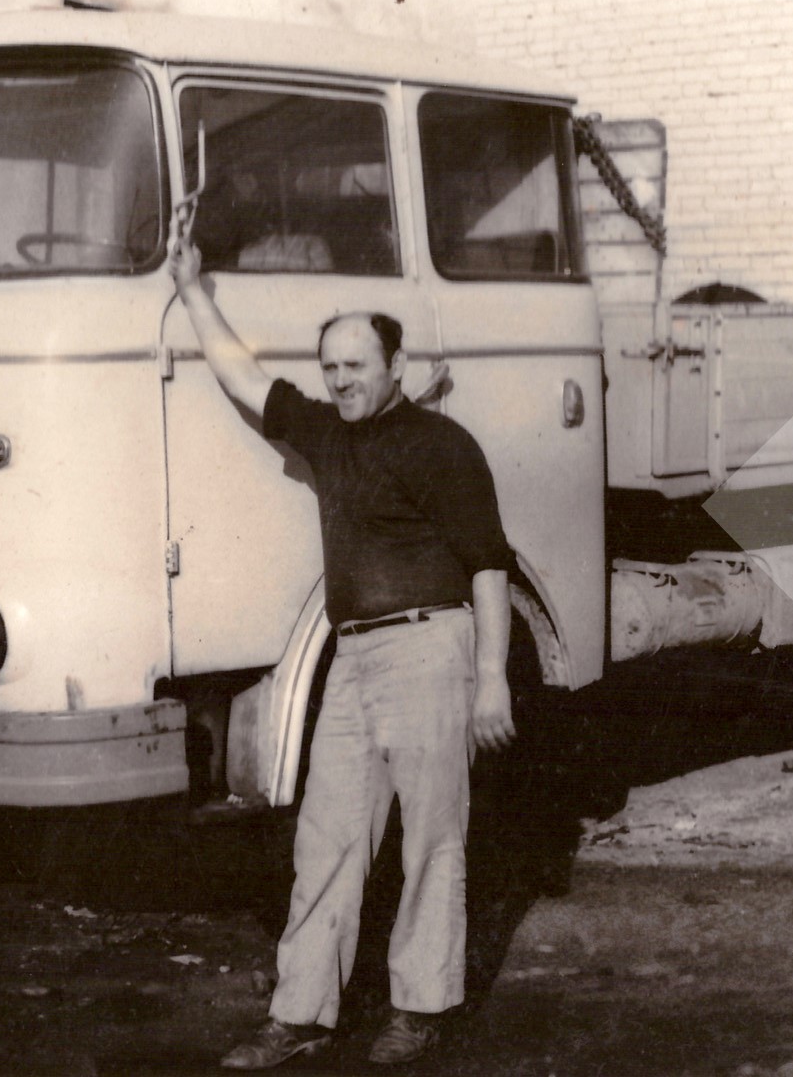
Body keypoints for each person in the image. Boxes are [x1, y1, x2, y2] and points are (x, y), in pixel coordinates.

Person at [167, 209, 516, 1069]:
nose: (342, 380)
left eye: (356, 366)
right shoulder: (326, 432)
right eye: (330, 368)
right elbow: (244, 378)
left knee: (432, 840)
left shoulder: (442, 446)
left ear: (395, 366)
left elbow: (487, 566)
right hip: (353, 660)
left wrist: (492, 680)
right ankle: (299, 1016)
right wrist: (190, 288)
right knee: (325, 839)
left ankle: (421, 1010)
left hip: (431, 650)